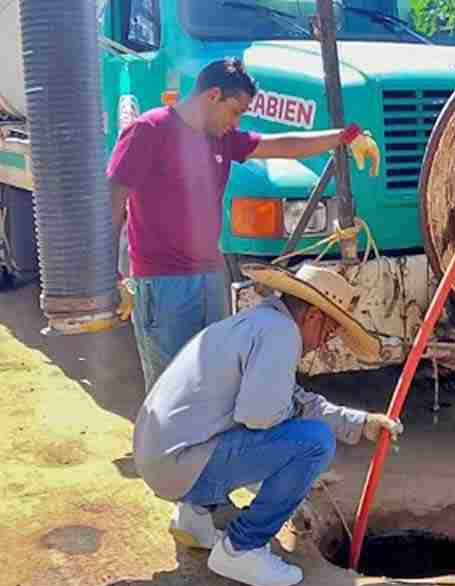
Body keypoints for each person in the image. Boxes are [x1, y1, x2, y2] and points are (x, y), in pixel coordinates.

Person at [107, 57, 380, 392]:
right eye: (235, 111)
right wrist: (111, 277)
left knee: (212, 385)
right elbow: (112, 201)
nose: (236, 122)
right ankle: (160, 446)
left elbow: (283, 146)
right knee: (169, 390)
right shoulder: (149, 130)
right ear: (212, 95)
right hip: (164, 285)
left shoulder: (221, 138)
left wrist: (344, 137)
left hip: (210, 278)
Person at [132, 261, 402, 586]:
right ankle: (241, 549)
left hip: (159, 457)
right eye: (328, 332)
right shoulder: (281, 333)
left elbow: (291, 400)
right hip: (177, 463)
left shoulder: (256, 323)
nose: (322, 344)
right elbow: (262, 415)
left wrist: (361, 423)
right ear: (313, 316)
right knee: (314, 442)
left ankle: (194, 517)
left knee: (238, 422)